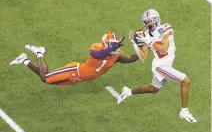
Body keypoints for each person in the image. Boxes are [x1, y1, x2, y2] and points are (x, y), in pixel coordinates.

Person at [117, 9, 197, 123]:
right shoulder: (145, 35)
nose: (150, 23)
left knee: (153, 88)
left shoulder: (166, 28)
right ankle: (184, 112)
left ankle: (129, 92)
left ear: (157, 19)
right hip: (160, 65)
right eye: (147, 21)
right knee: (186, 81)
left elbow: (164, 48)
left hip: (166, 62)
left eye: (151, 20)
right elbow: (143, 56)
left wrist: (149, 41)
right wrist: (135, 44)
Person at [9, 32, 138, 85]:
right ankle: (39, 52)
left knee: (47, 78)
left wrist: (145, 46)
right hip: (74, 70)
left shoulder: (116, 55)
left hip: (79, 78)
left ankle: (23, 60)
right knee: (46, 79)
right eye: (111, 44)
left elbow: (132, 59)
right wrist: (110, 49)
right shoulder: (96, 48)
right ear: (105, 44)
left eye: (114, 44)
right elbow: (98, 55)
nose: (114, 46)